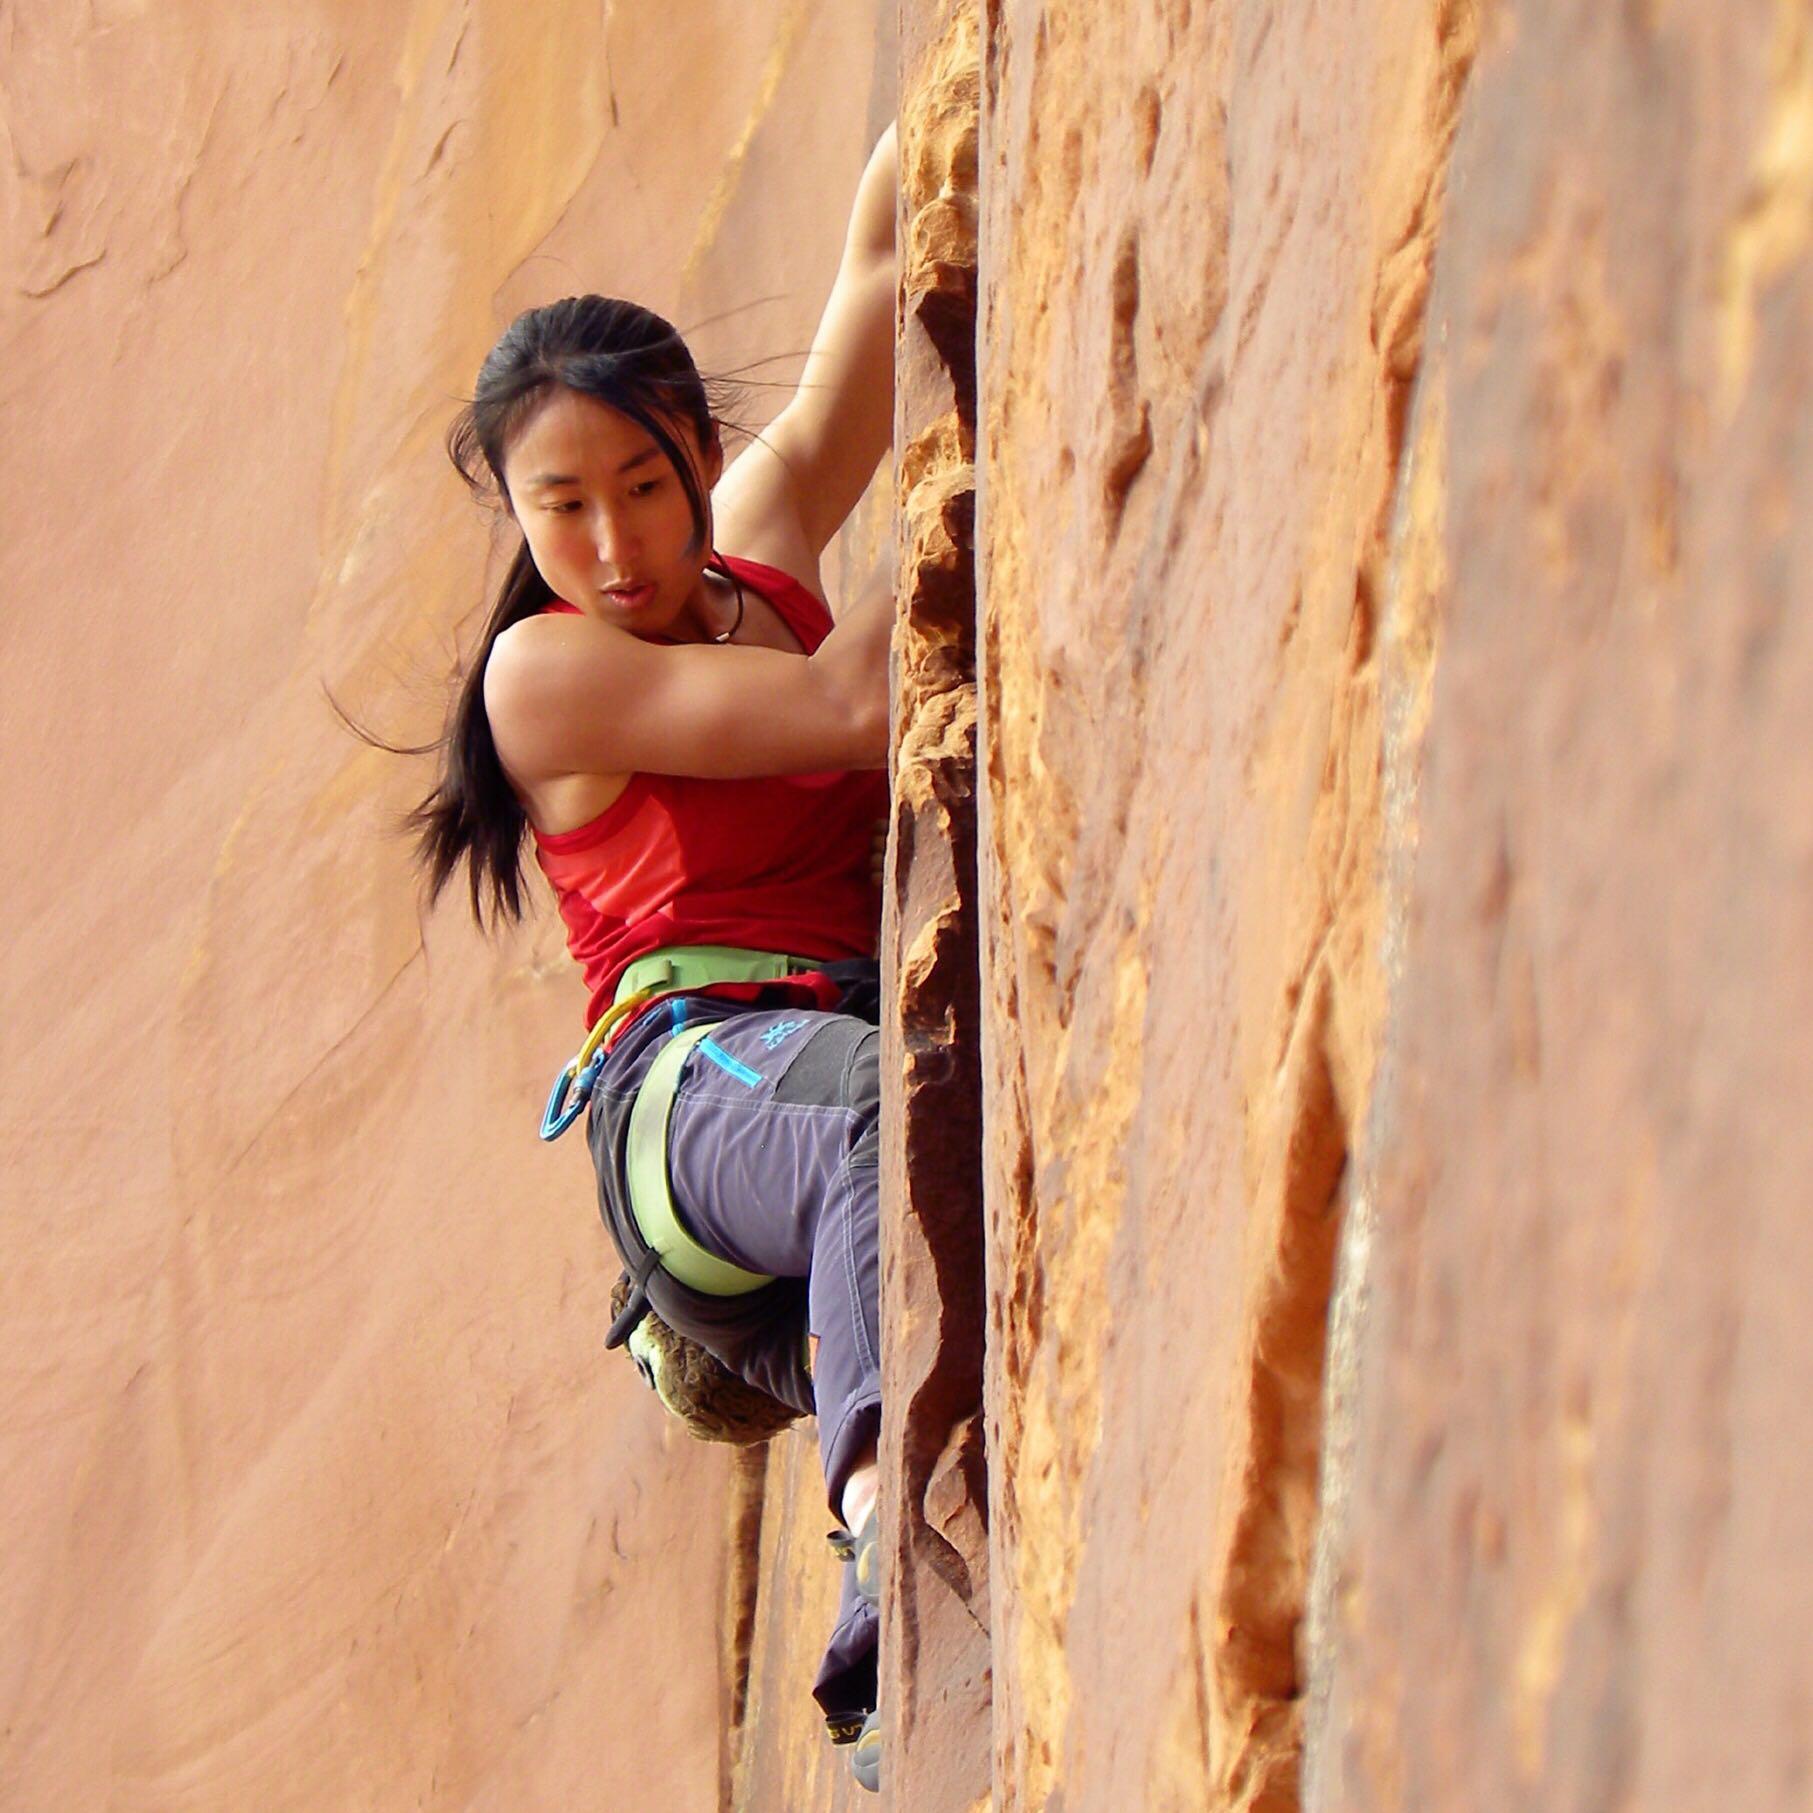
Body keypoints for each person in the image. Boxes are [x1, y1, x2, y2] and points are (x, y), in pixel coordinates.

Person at [407, 125, 899, 1793]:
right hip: (687, 1100)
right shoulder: (540, 679)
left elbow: (878, 304)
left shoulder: (756, 559)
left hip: (820, 1067)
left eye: (640, 484)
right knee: (861, 1113)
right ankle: (879, 1574)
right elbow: (855, 708)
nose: (612, 544)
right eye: (561, 507)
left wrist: (923, 143)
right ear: (513, 515)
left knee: (885, 1111)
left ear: (694, 451)